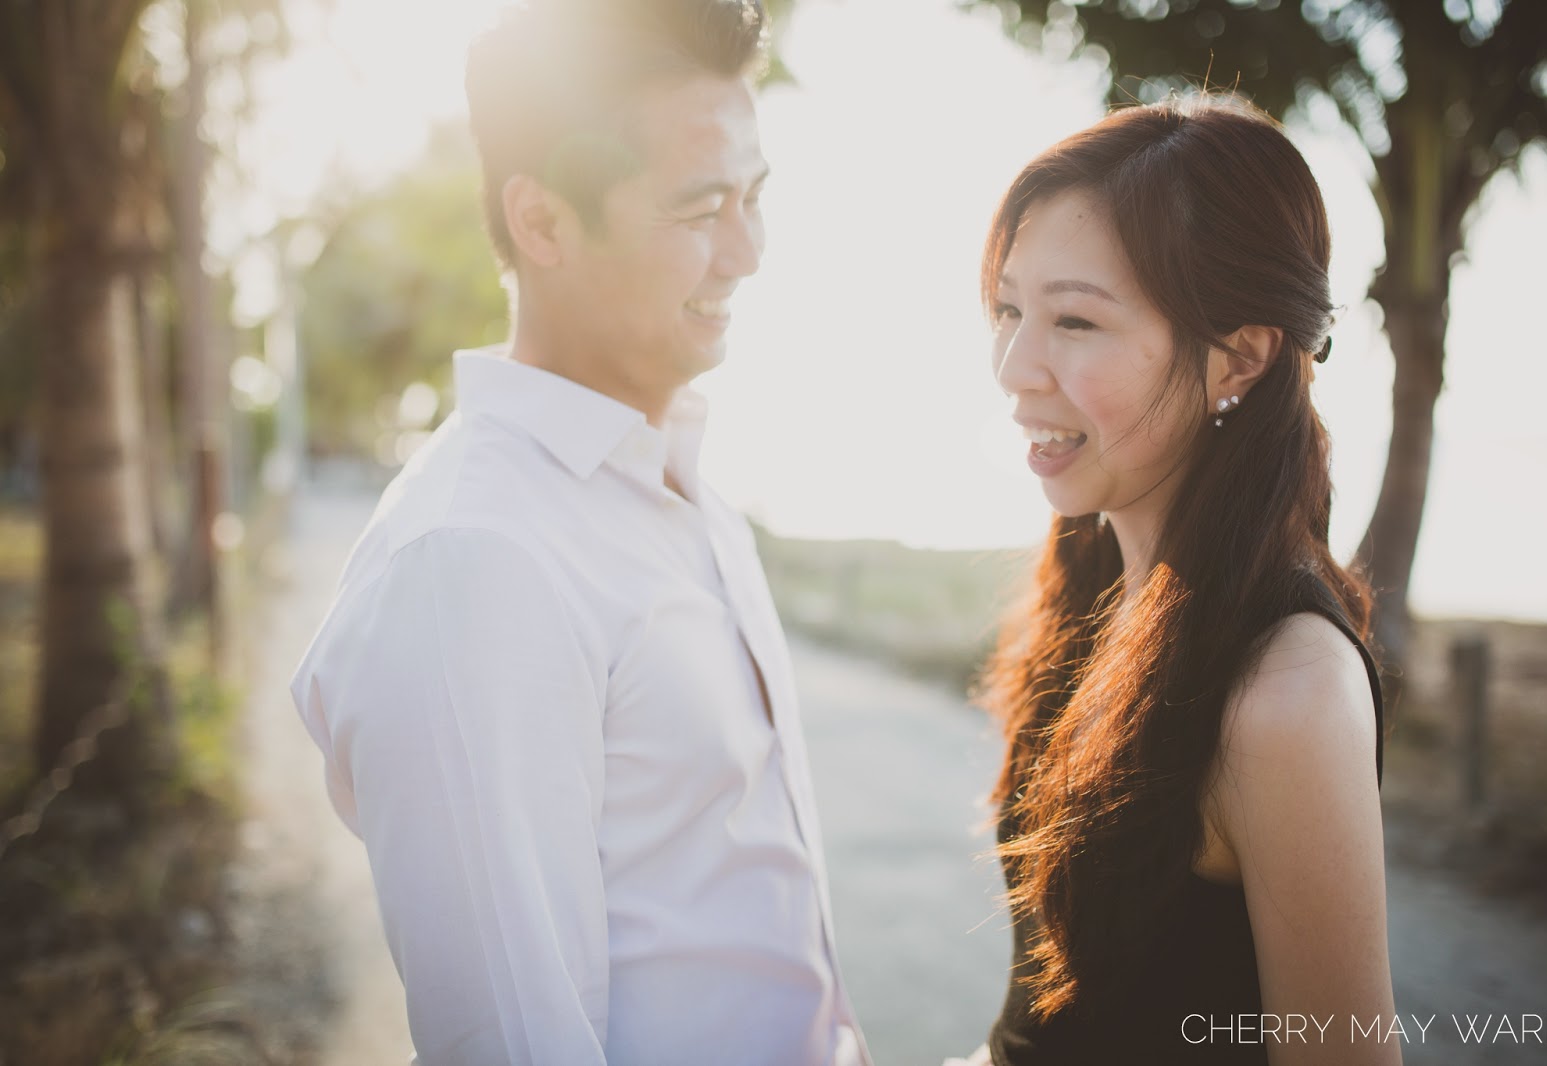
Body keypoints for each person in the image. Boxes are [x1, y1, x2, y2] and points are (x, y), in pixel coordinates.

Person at [289, 2, 867, 1062]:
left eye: (755, 196)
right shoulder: (472, 560)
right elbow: (509, 1041)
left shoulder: (674, 478)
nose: (750, 250)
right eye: (702, 208)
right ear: (543, 221)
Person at [968, 96, 1399, 1065]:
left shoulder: (1285, 694)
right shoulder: (1089, 585)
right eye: (1008, 308)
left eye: (1074, 319)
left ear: (1238, 357)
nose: (1012, 365)